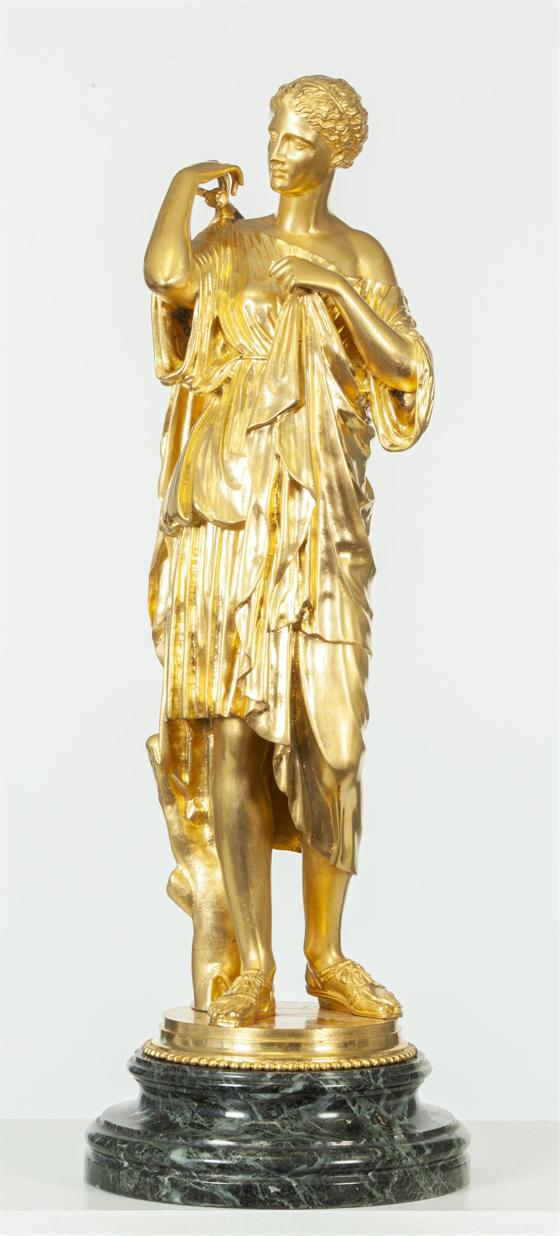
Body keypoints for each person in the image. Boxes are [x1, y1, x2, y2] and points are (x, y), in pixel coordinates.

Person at [143, 75, 434, 1028]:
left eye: (299, 135)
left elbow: (408, 368)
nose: (278, 146)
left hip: (324, 521)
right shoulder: (233, 243)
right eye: (274, 129)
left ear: (335, 151)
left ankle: (327, 954)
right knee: (232, 731)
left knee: (333, 743)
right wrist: (182, 189)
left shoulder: (360, 253)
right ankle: (254, 965)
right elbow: (167, 280)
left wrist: (339, 289)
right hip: (232, 514)